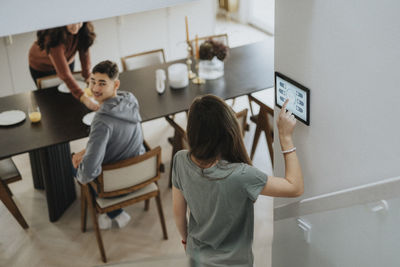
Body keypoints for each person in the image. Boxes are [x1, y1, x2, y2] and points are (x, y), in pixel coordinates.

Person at [172, 95, 303, 266]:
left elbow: (178, 214)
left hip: (197, 259)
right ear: (229, 131)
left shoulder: (180, 159)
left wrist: (185, 241)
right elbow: (295, 188)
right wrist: (285, 137)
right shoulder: (241, 175)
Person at [72, 60, 146, 229]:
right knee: (84, 157)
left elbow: (88, 173)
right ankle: (113, 213)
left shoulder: (101, 121)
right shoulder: (130, 100)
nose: (95, 88)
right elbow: (116, 138)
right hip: (141, 173)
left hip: (118, 183)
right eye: (93, 82)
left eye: (102, 83)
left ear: (116, 84)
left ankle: (112, 211)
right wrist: (87, 151)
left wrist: (80, 167)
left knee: (74, 166)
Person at [28, 22, 99, 111]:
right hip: (42, 66)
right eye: (72, 22)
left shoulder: (83, 29)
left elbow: (84, 55)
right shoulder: (53, 37)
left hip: (67, 60)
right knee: (52, 103)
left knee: (70, 95)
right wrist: (84, 98)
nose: (76, 27)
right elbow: (64, 74)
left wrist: (88, 76)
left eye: (79, 22)